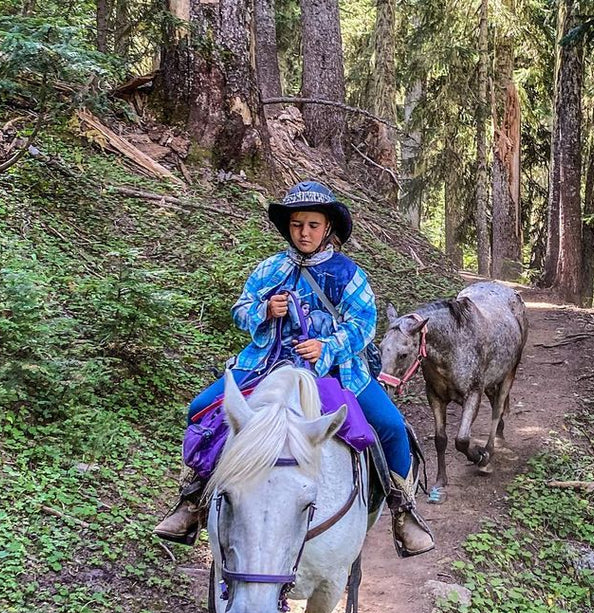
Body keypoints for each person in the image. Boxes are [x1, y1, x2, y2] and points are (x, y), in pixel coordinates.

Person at [153, 180, 435, 557]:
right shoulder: (270, 269)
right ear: (288, 226)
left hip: (337, 371)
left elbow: (364, 324)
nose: (304, 232)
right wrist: (264, 311)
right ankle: (193, 499)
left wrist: (327, 345)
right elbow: (240, 309)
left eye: (313, 225)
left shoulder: (349, 274)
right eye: (298, 224)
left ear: (328, 228)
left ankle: (403, 509)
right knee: (202, 409)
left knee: (391, 427)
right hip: (266, 364)